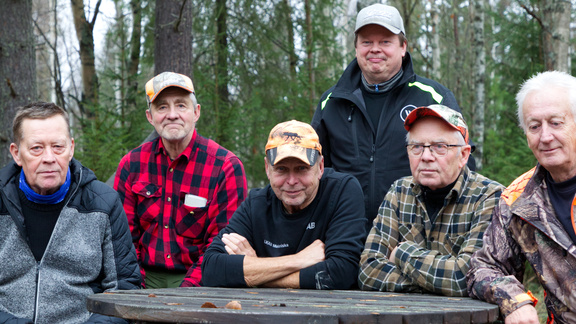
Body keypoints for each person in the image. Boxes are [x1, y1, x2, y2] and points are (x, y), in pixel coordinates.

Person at [312, 4, 472, 230]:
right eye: (367, 42)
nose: (375, 49)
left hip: (417, 232)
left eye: (385, 41)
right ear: (356, 48)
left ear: (403, 47)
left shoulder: (434, 97)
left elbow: (464, 165)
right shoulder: (331, 101)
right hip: (345, 232)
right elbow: (314, 169)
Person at [0, 102, 140, 324]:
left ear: (71, 148)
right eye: (36, 148)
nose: (49, 158)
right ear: (17, 153)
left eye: (58, 147)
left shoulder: (103, 204)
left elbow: (125, 288)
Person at [114, 72, 247, 288]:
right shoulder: (132, 165)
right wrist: (135, 289)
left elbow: (222, 243)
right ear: (150, 116)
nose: (172, 114)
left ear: (196, 112)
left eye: (181, 105)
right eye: (162, 107)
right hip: (142, 278)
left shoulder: (225, 167)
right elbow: (123, 239)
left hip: (204, 279)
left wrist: (185, 295)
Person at [358, 104, 503, 297]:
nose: (426, 157)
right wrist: (435, 285)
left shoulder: (490, 197)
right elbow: (368, 271)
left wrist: (403, 253)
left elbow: (466, 277)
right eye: (417, 147)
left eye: (439, 147)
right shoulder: (399, 191)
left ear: (464, 155)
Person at [202, 120, 366, 289]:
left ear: (320, 167)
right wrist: (299, 260)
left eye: (302, 168)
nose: (292, 181)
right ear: (267, 168)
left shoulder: (342, 191)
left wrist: (255, 270)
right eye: (281, 169)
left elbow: (341, 273)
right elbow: (211, 270)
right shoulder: (256, 204)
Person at [467, 71, 576, 323]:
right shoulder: (518, 199)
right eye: (534, 126)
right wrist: (513, 298)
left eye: (556, 123)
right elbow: (482, 267)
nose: (545, 137)